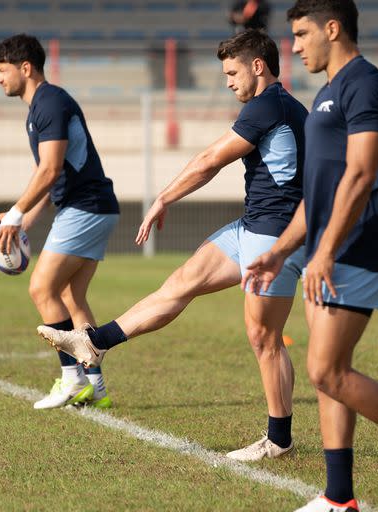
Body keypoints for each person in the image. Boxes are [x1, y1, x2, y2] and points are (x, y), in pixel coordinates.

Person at [38, 29, 308, 461]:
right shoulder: (280, 106)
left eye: (232, 72)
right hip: (251, 227)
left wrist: (163, 197)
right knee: (180, 283)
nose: (228, 82)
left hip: (274, 235)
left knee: (264, 336)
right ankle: (95, 341)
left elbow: (209, 161)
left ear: (259, 66)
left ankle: (278, 439)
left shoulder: (269, 105)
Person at [242, 2, 378, 511]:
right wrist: (280, 251)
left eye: (301, 34)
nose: (294, 46)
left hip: (359, 247)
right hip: (328, 249)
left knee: (326, 371)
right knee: (330, 375)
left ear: (332, 29)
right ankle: (339, 498)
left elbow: (361, 175)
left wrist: (327, 251)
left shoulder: (365, 85)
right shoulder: (327, 93)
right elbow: (317, 196)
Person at [0, 34, 120, 410]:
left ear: (25, 68)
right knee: (70, 296)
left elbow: (48, 171)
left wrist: (15, 214)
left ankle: (70, 379)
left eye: (2, 71)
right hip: (93, 206)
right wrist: (26, 219)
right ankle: (94, 385)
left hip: (86, 206)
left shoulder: (49, 103)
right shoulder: (41, 107)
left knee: (41, 289)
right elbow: (53, 174)